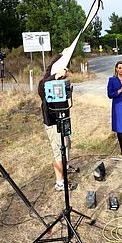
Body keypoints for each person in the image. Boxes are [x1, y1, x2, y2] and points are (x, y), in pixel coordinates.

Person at [38, 59, 79, 192]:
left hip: (63, 120)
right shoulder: (45, 82)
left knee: (66, 145)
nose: (65, 73)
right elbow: (43, 86)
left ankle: (65, 167)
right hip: (53, 123)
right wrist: (55, 76)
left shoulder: (60, 82)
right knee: (59, 150)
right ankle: (60, 182)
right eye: (63, 71)